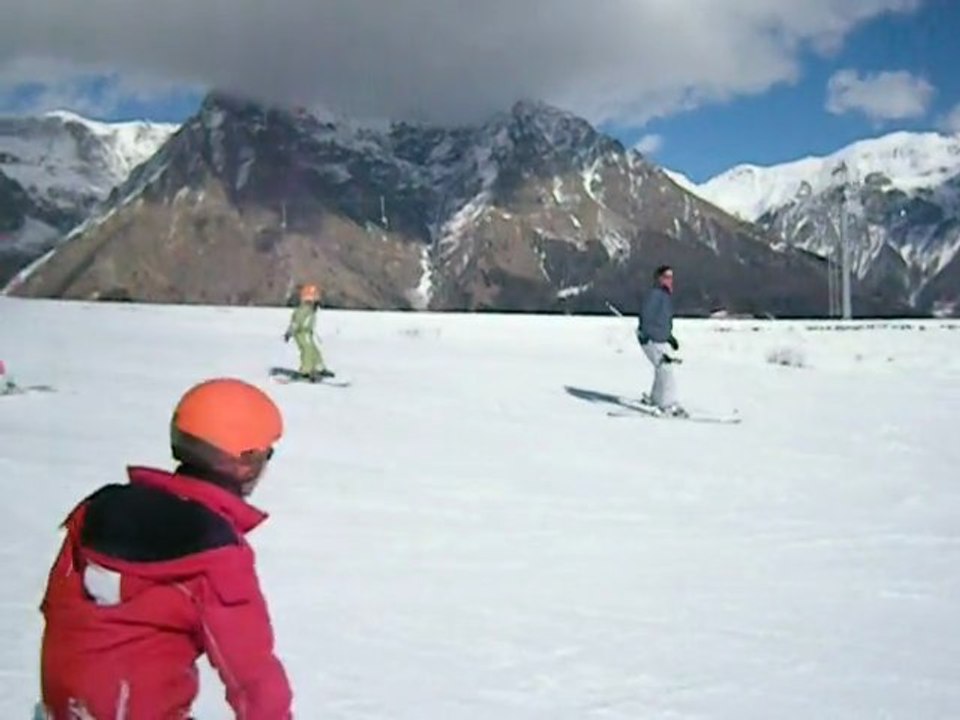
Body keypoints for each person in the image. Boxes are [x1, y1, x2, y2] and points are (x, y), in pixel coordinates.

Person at [37, 378, 294, 719]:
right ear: (246, 462)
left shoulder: (97, 509)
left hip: (63, 707)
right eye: (266, 454)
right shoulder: (217, 553)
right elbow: (250, 673)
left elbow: (57, 604)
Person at [636, 265, 686, 416]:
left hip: (660, 339)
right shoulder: (655, 295)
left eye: (671, 277)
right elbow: (646, 316)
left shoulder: (665, 296)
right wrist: (645, 334)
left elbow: (662, 321)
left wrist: (669, 337)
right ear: (659, 279)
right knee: (665, 369)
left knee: (662, 368)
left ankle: (656, 399)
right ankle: (668, 405)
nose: (670, 280)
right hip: (651, 339)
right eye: (666, 277)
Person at [284, 283, 333, 381]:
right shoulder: (304, 309)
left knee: (313, 350)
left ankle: (319, 367)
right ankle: (305, 371)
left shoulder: (310, 309)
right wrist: (290, 332)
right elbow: (297, 321)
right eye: (316, 297)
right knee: (307, 351)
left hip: (307, 333)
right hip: (301, 333)